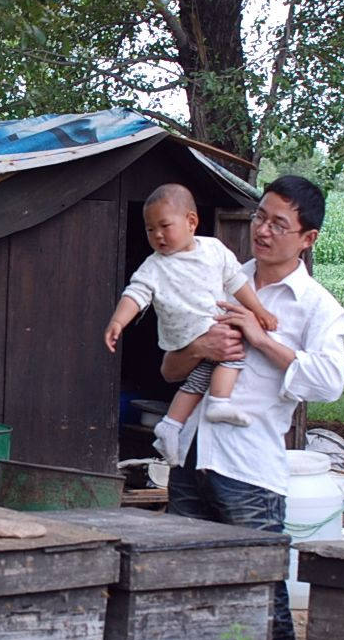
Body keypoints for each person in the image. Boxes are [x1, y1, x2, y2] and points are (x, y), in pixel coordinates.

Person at [160, 175, 344, 640]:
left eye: (278, 224)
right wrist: (201, 346)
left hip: (250, 473)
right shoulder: (219, 277)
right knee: (180, 588)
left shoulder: (317, 307)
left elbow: (329, 382)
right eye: (260, 217)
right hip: (193, 458)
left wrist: (262, 338)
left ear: (307, 238)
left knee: (265, 602)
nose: (263, 231)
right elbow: (170, 368)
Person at [105, 183, 278, 465]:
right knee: (233, 351)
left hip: (210, 326)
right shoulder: (155, 265)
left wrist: (259, 310)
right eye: (150, 229)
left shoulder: (214, 250)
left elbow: (237, 283)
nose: (157, 235)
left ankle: (171, 425)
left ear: (191, 222)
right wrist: (118, 321)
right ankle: (219, 402)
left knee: (202, 375)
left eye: (164, 226)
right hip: (187, 336)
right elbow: (135, 294)